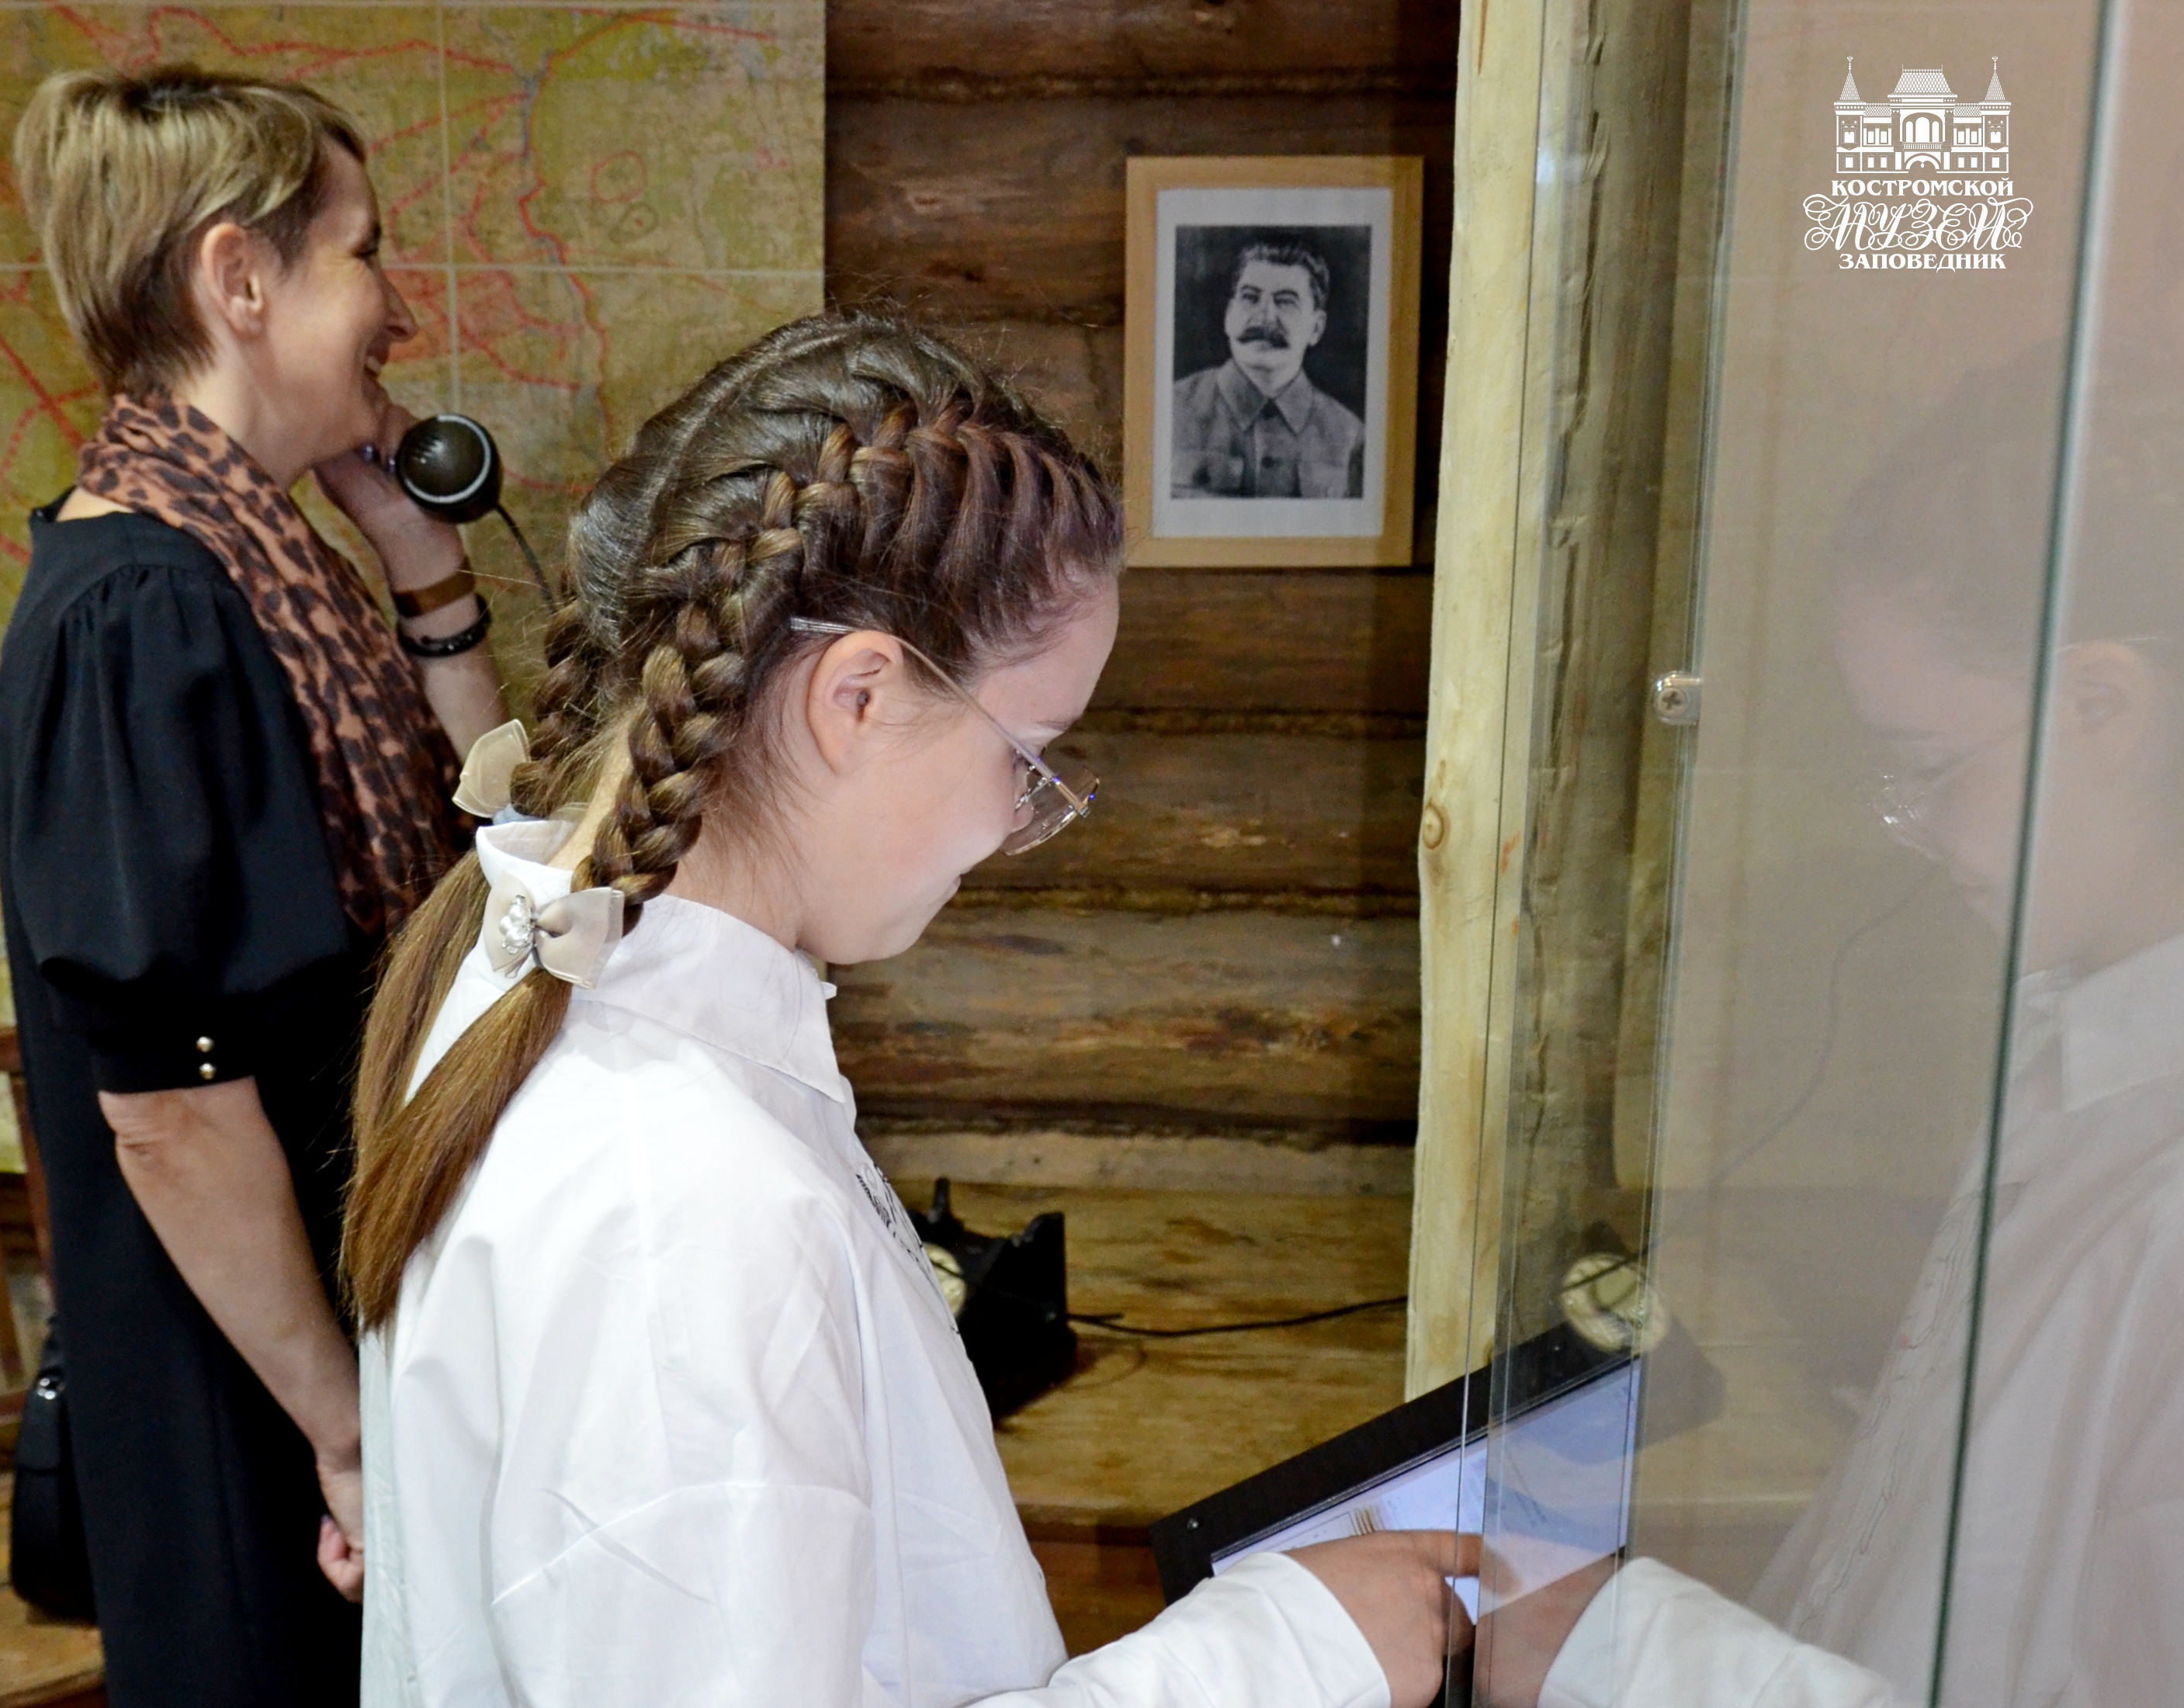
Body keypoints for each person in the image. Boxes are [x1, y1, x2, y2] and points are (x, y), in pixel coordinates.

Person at [349, 315, 1475, 1707]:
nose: (1016, 827)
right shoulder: (685, 1216)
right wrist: (1285, 1655)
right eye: (1028, 760)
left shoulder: (538, 964)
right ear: (860, 697)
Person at [1472, 396, 2184, 1706]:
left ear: (2102, 706)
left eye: (1927, 765)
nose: (1909, 829)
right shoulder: (2069, 1059)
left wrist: (1623, 1654)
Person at [0, 64, 504, 1706]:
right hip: (247, 1398)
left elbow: (494, 864)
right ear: (240, 279)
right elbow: (171, 1112)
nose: (397, 308)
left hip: (326, 1337)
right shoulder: (139, 609)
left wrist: (423, 566)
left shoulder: (267, 566)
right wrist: (344, 1436)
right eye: (364, 251)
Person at [1170, 237, 1365, 500]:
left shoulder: (1350, 436)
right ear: (1229, 315)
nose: (1265, 316)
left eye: (1286, 301)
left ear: (1316, 328)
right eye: (1250, 297)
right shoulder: (1171, 410)